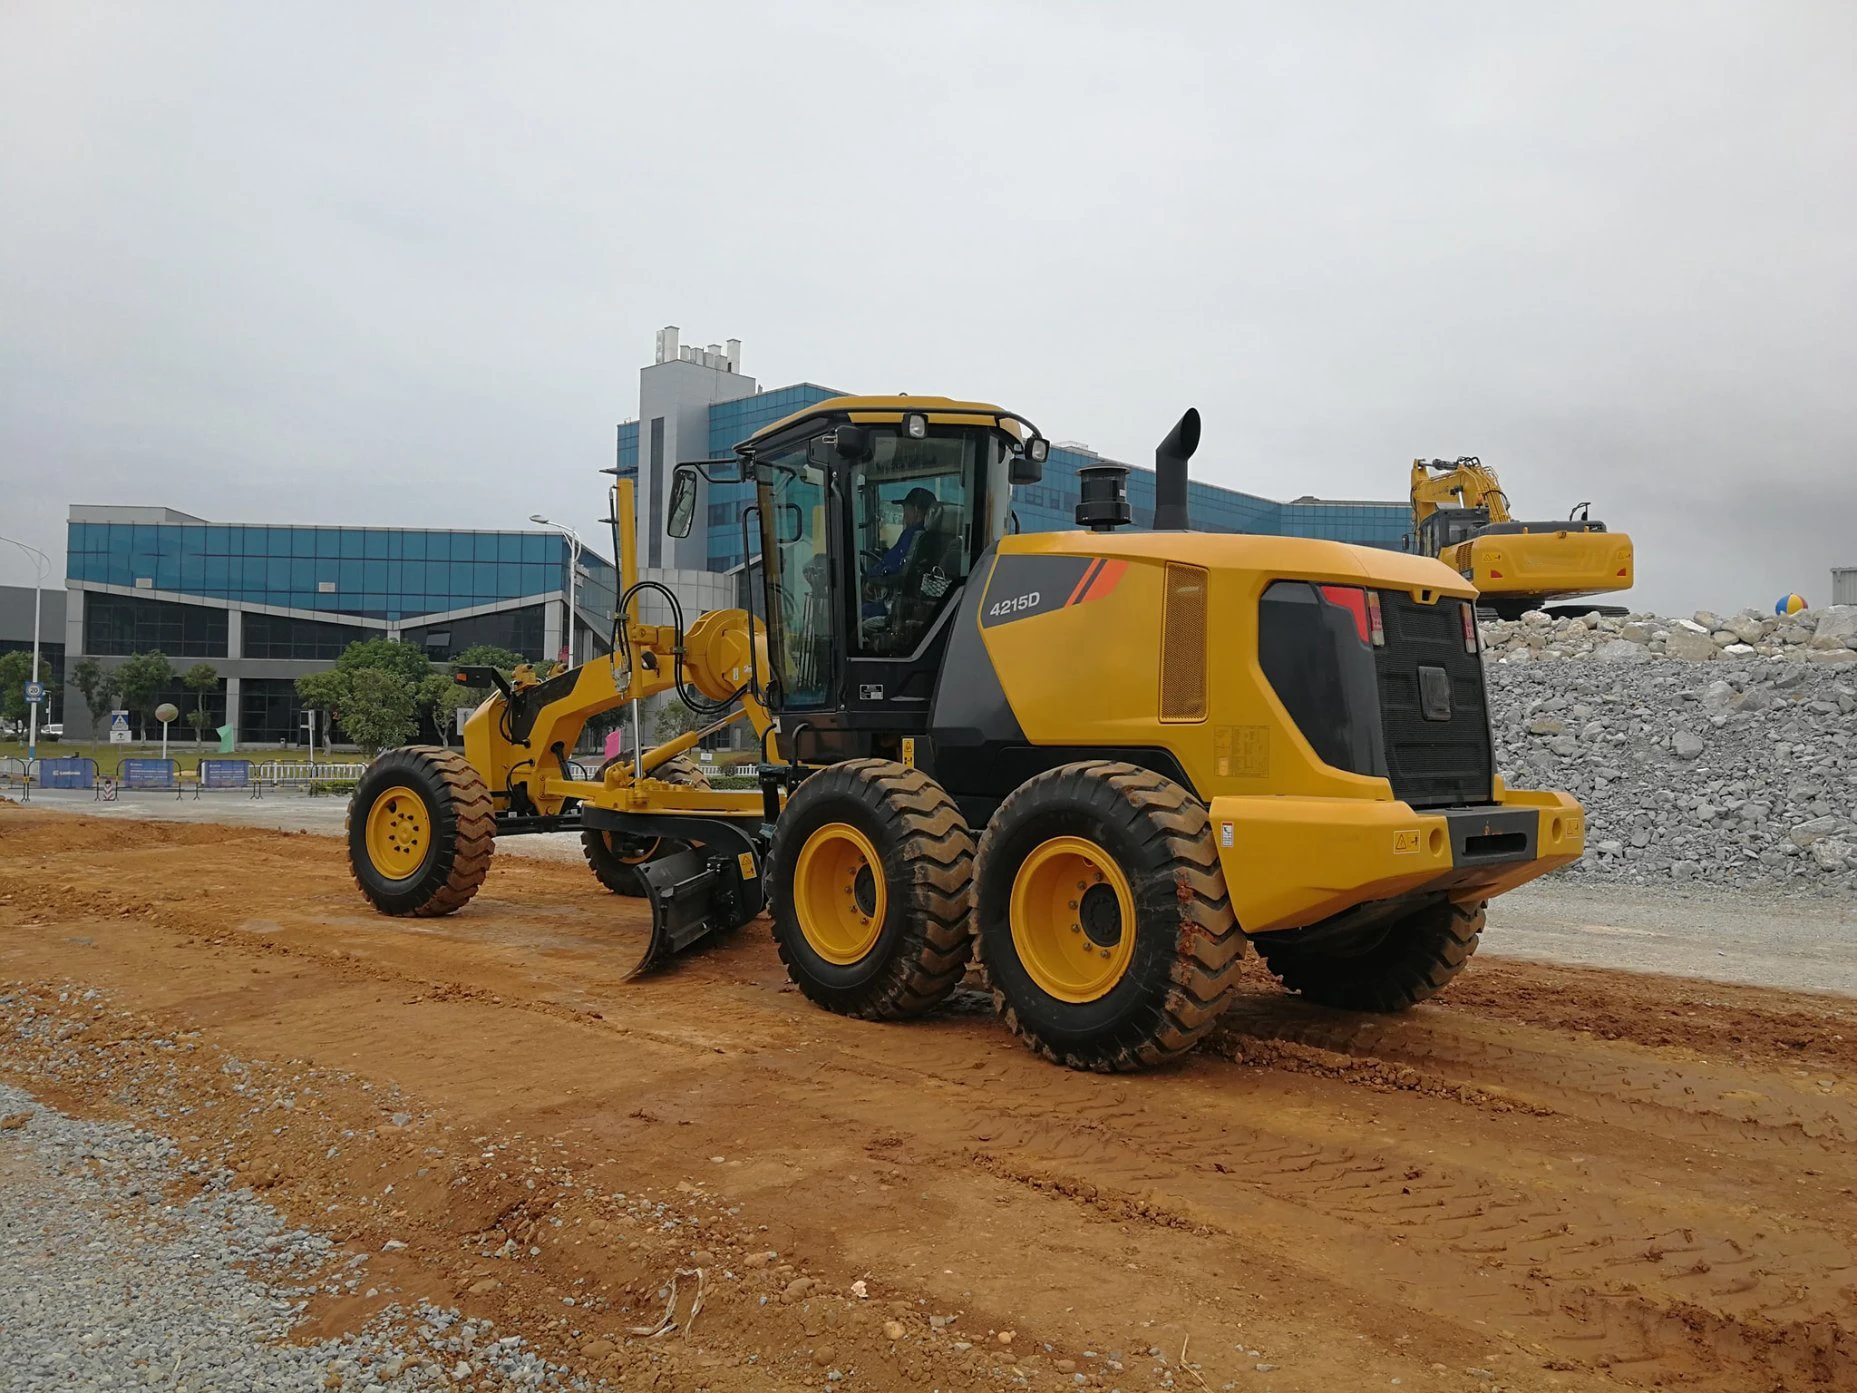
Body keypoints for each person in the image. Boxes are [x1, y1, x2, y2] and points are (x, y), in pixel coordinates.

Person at [862, 488, 936, 619]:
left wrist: (871, 578)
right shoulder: (934, 538)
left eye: (905, 510)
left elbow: (893, 567)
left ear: (916, 509)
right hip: (915, 601)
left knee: (855, 612)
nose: (904, 515)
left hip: (896, 602)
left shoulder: (912, 534)